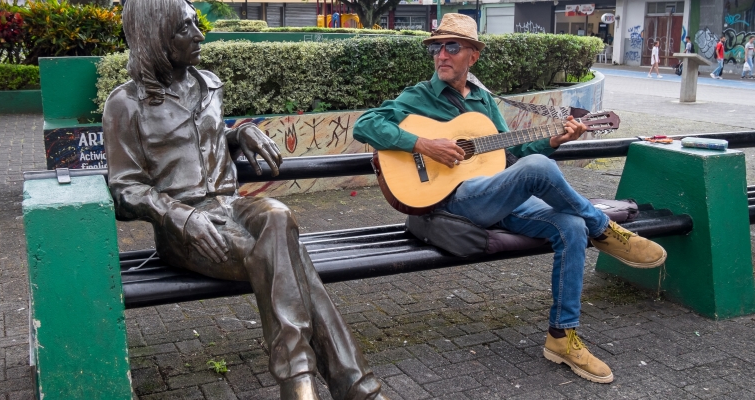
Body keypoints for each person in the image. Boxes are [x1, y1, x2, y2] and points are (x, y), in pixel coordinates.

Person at [353, 13, 667, 385]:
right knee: (546, 177)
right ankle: (604, 228)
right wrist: (423, 144)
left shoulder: (484, 100)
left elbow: (512, 154)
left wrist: (553, 141)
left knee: (568, 225)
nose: (441, 55)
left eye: (451, 47)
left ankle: (561, 337)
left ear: (473, 56)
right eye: (437, 47)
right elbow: (365, 124)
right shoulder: (418, 96)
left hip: (497, 194)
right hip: (457, 201)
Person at [103, 1, 386, 399]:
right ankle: (352, 386)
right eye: (186, 29)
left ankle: (301, 381)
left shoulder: (210, 84)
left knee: (278, 215)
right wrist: (181, 217)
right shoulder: (125, 104)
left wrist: (242, 133)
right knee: (287, 257)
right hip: (186, 231)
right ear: (156, 36)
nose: (201, 36)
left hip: (232, 207)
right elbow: (125, 188)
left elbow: (209, 137)